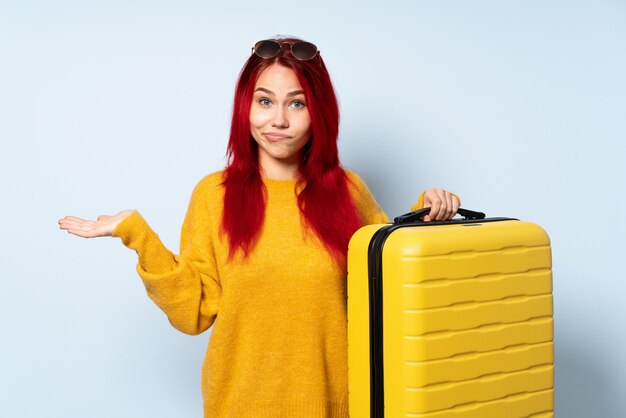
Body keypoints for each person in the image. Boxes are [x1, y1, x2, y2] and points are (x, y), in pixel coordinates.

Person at [58, 37, 460, 418]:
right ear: (245, 107)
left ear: (319, 111)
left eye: (297, 104)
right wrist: (137, 234)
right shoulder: (213, 195)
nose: (279, 120)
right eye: (264, 101)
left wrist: (426, 216)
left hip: (336, 405)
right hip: (239, 404)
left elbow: (389, 286)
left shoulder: (349, 191)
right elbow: (193, 314)